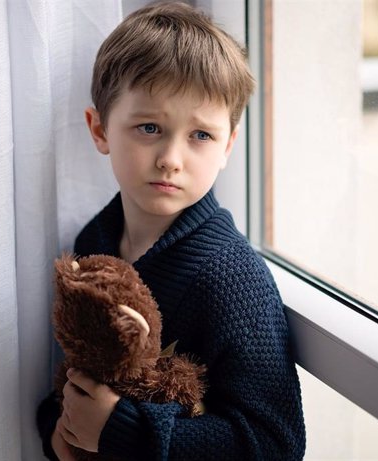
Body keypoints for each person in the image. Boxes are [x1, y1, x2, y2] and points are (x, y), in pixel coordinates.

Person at [36, 2, 306, 459]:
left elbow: (275, 444)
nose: (171, 158)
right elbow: (79, 380)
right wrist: (58, 430)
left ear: (228, 146)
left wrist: (122, 431)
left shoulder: (231, 277)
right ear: (99, 130)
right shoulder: (93, 245)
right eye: (149, 127)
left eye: (201, 135)